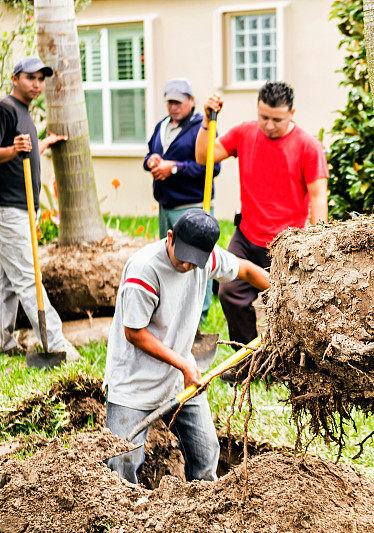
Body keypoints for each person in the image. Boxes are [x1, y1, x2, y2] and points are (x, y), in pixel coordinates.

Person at [104, 209, 270, 484]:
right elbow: (134, 332)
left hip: (178, 379)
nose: (186, 267)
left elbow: (245, 269)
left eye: (194, 262)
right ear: (170, 237)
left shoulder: (204, 259)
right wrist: (184, 363)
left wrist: (282, 293)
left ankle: (203, 512)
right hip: (133, 383)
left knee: (206, 454)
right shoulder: (144, 271)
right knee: (122, 463)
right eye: (182, 258)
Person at [195, 81, 328, 347]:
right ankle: (245, 356)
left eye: (276, 119)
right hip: (247, 236)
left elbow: (318, 198)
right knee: (230, 293)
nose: (268, 125)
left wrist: (317, 246)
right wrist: (206, 122)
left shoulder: (308, 146)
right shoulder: (245, 133)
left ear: (291, 113)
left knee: (292, 304)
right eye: (263, 117)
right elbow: (203, 157)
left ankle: (288, 358)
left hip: (287, 244)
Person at [0, 56, 80, 361]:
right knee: (27, 278)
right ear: (15, 77)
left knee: (6, 281)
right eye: (31, 77)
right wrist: (13, 149)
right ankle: (57, 346)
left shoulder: (23, 113)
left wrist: (42, 143)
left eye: (41, 79)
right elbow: (10, 150)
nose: (37, 84)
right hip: (9, 208)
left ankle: (3, 342)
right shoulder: (5, 109)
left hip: (20, 208)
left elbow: (24, 150)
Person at [144, 78, 220, 325]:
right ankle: (174, 309)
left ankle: (200, 315)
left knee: (196, 262)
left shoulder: (202, 127)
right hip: (166, 207)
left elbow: (212, 167)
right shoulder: (162, 126)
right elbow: (149, 154)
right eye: (170, 102)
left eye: (178, 102)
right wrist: (152, 161)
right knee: (172, 260)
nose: (173, 107)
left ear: (191, 101)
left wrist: (174, 168)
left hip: (191, 207)